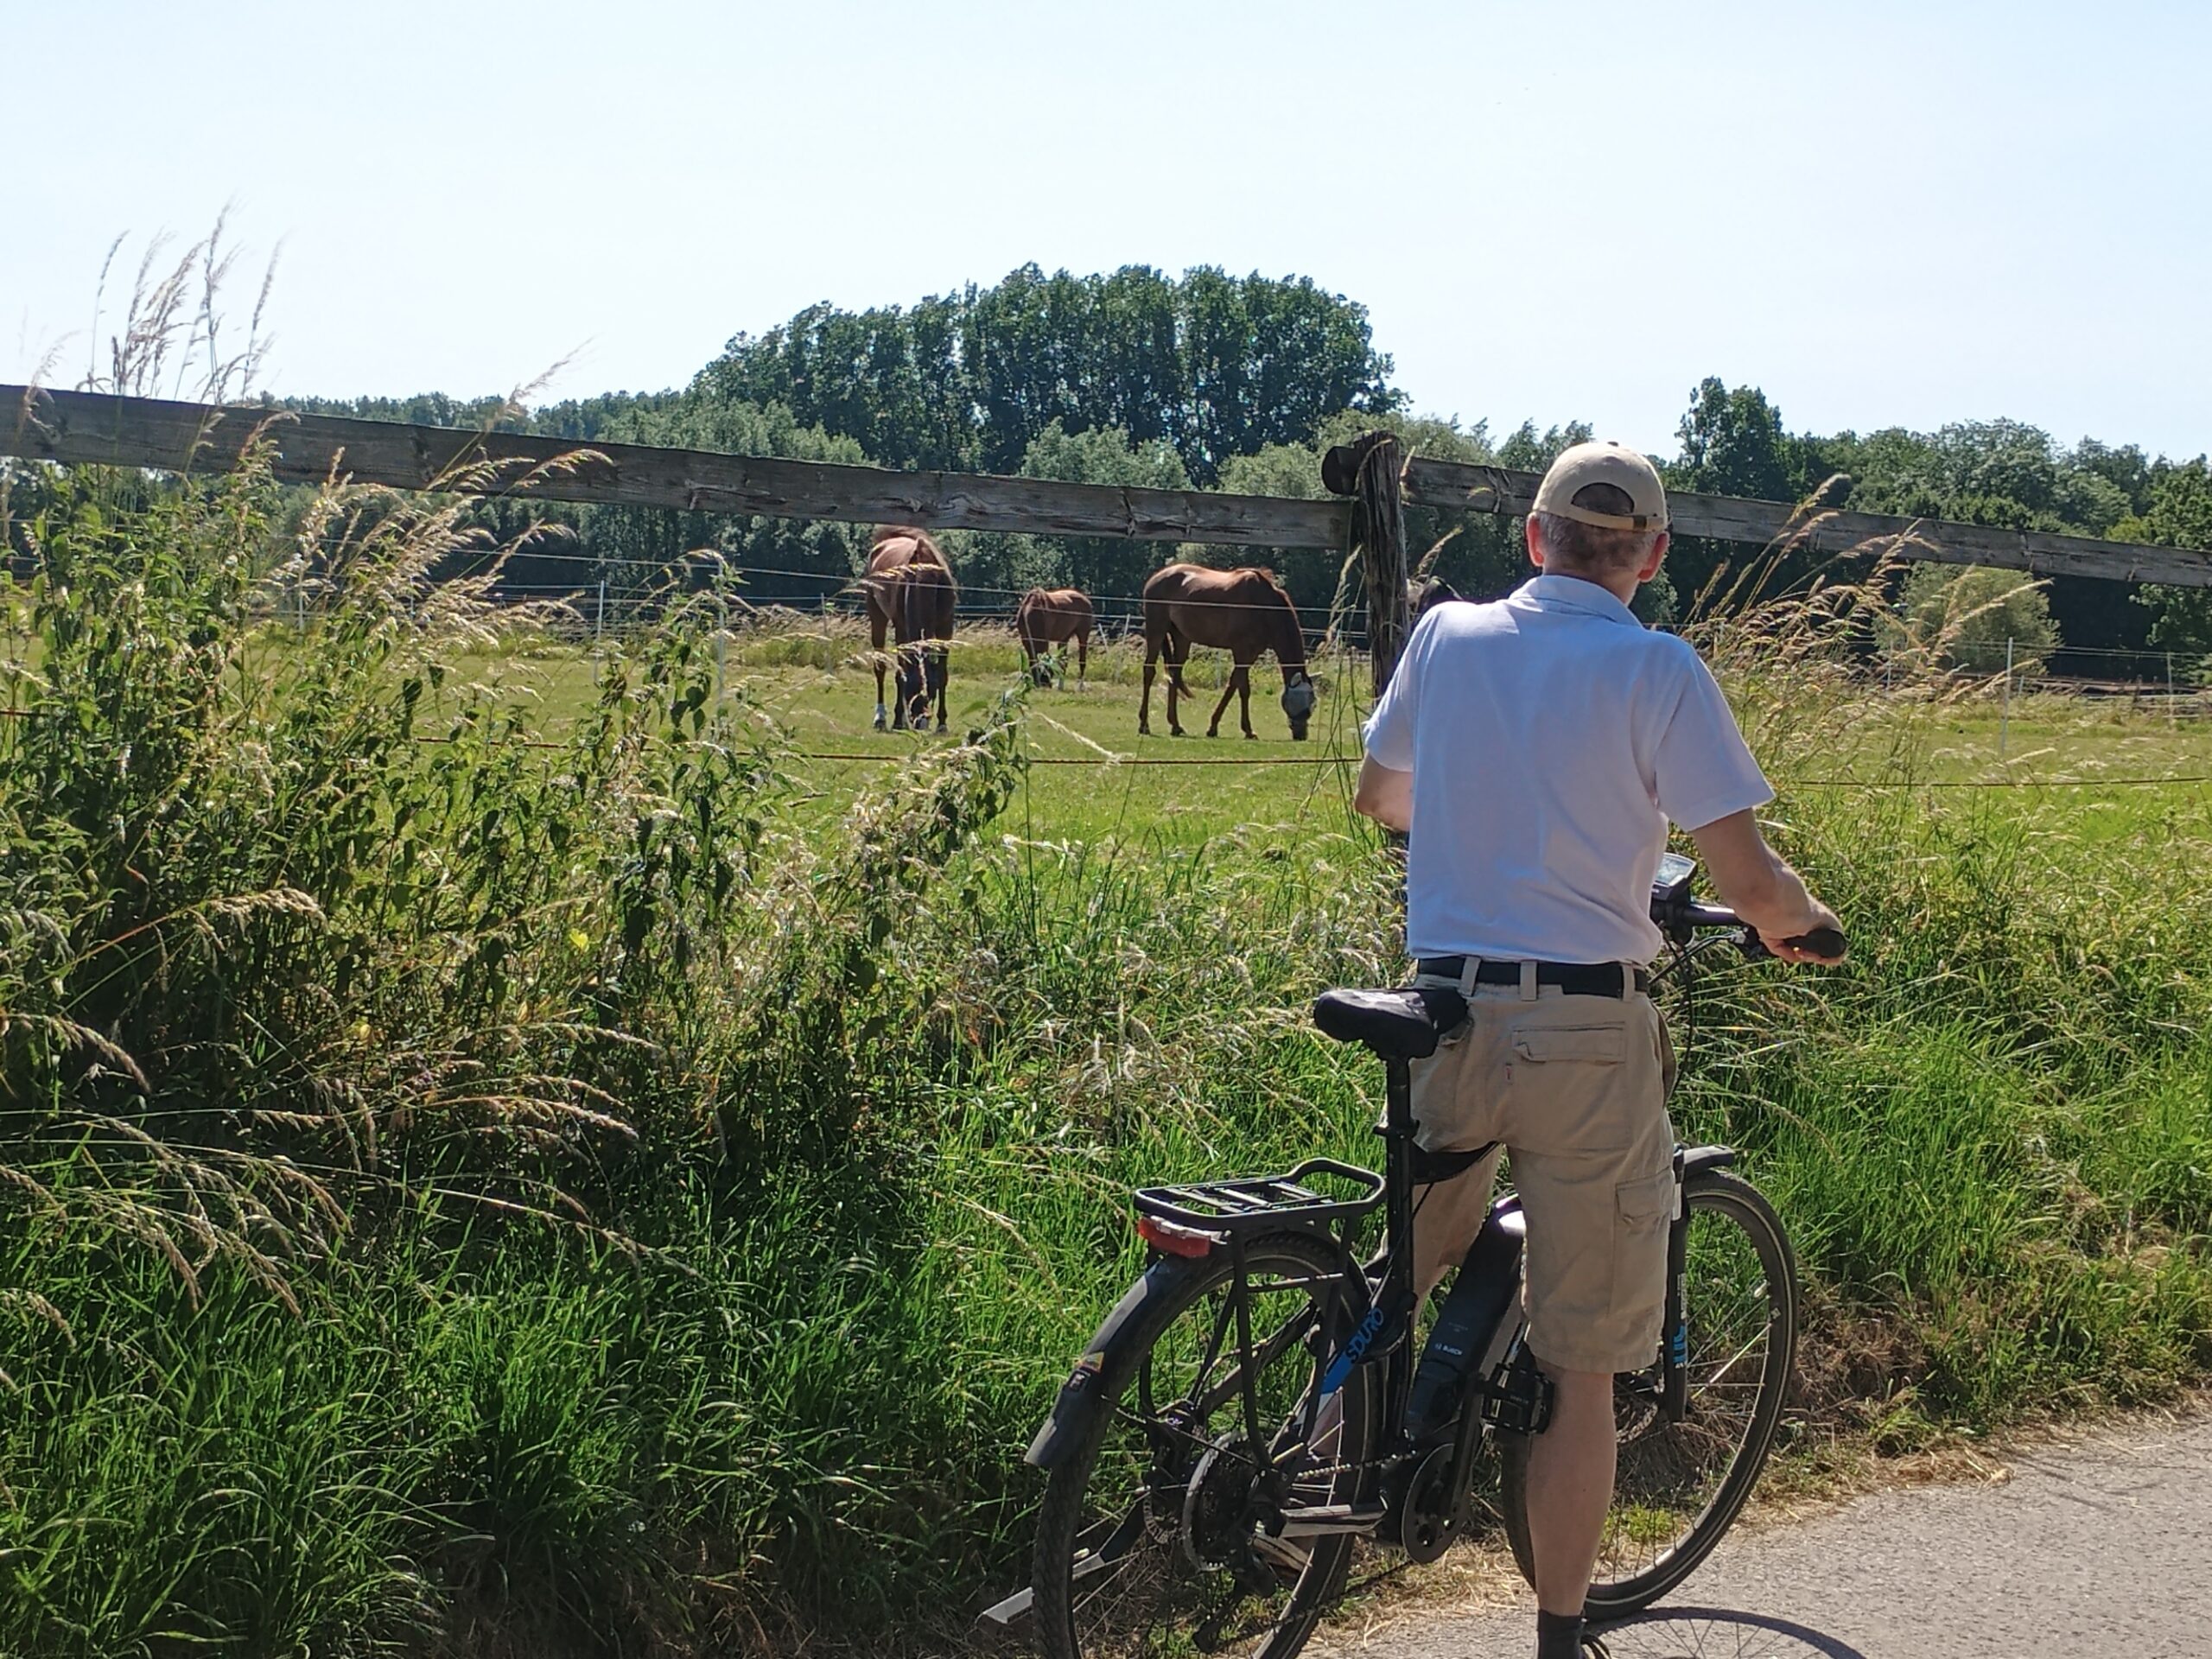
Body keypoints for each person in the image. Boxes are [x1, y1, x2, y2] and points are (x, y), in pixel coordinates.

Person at [1352, 440, 1841, 1659]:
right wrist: (1805, 927)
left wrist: (1481, 811)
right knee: (1582, 1365)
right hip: (1585, 1028)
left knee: (1397, 1276)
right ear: (1654, 555)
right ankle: (1563, 1631)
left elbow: (1380, 797)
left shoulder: (1448, 637)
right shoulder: (1657, 668)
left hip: (1444, 1009)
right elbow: (1746, 877)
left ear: (1533, 537)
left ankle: (1308, 1486)